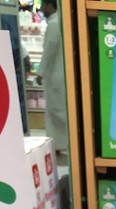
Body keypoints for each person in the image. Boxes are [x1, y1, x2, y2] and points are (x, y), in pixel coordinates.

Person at [36, 0, 68, 154]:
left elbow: (49, 50)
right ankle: (60, 144)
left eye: (43, 5)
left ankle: (59, 144)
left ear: (50, 5)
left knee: (57, 112)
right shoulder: (61, 22)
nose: (42, 9)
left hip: (55, 76)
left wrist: (40, 72)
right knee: (59, 111)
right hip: (58, 74)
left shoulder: (54, 24)